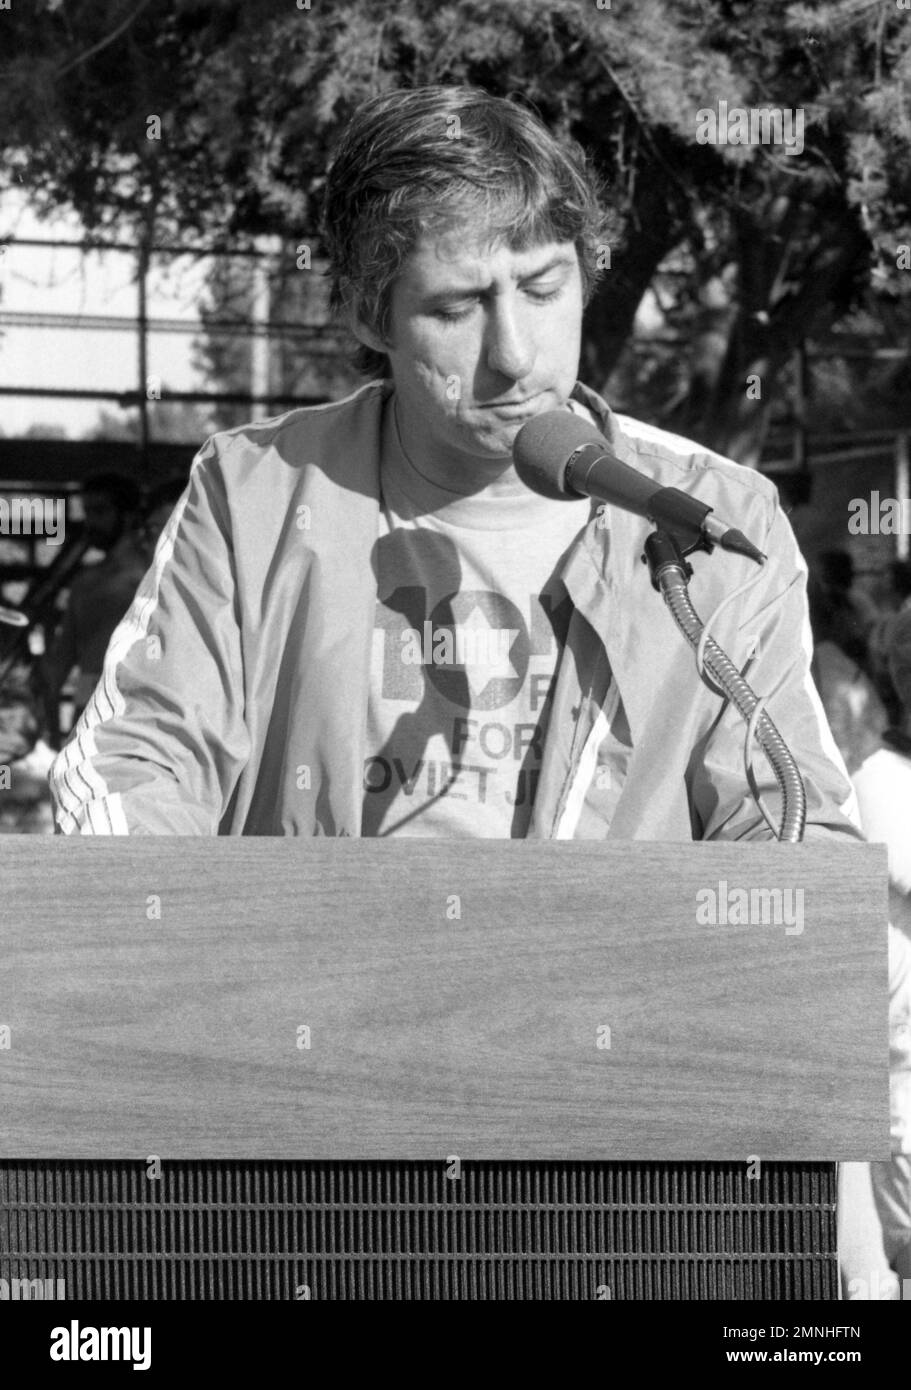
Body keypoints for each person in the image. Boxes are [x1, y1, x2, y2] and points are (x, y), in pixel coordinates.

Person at [49, 86, 859, 840]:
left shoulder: (714, 516)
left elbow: (790, 818)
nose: (513, 355)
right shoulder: (255, 487)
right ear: (372, 317)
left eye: (543, 290)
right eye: (455, 307)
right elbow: (136, 764)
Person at [39, 471, 146, 746]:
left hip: (142, 708)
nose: (91, 522)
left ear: (129, 514)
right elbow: (62, 656)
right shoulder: (85, 581)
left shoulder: (157, 574)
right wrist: (51, 723)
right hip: (89, 707)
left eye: (100, 511)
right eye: (87, 512)